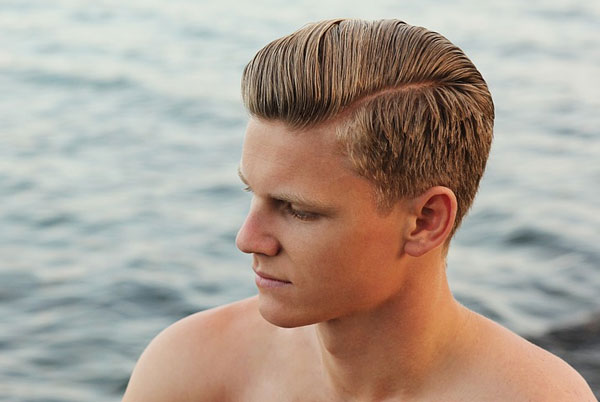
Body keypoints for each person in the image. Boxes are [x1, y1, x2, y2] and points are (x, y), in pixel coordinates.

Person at [123, 19, 597, 401]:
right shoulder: (192, 368)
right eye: (253, 193)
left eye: (298, 210)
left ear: (425, 221)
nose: (248, 239)